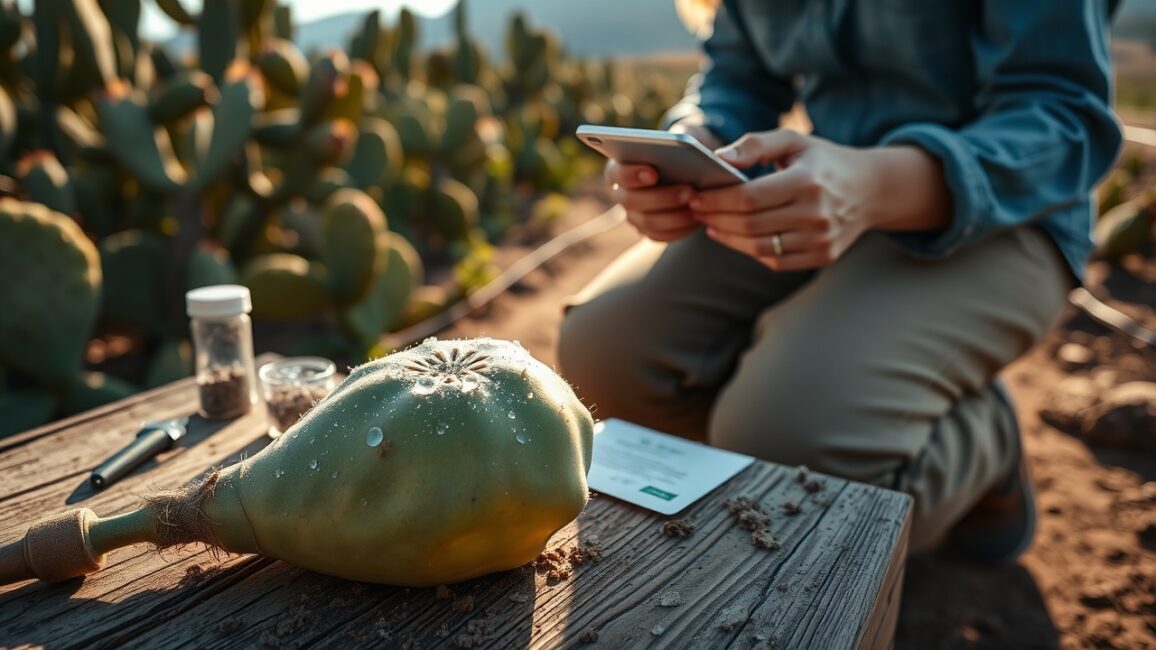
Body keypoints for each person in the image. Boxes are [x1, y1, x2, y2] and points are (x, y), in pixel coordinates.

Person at [556, 0, 1122, 562]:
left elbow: (1066, 118)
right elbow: (737, 74)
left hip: (1007, 215)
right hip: (824, 186)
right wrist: (698, 140)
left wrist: (876, 186)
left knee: (792, 446)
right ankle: (837, 393)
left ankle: (982, 439)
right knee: (605, 355)